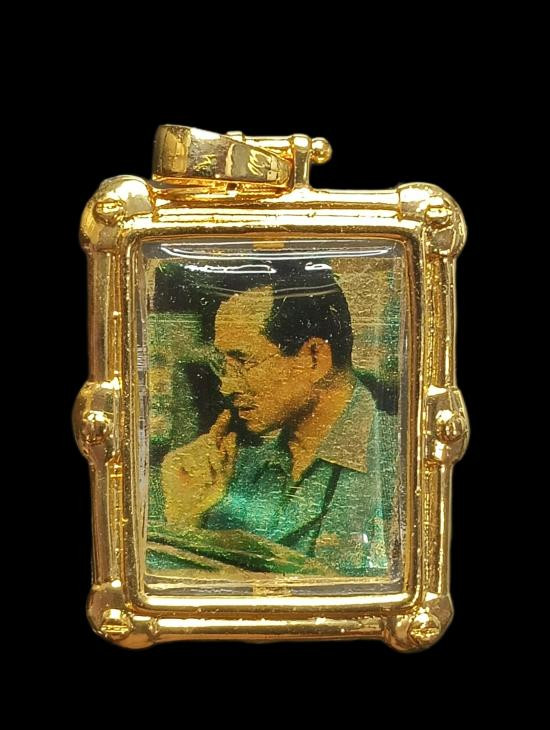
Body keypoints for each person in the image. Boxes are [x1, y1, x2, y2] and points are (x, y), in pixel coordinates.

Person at [151, 263, 399, 577]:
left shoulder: (403, 462)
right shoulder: (228, 470)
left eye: (243, 361)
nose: (226, 385)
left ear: (314, 358)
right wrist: (186, 517)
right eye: (223, 364)